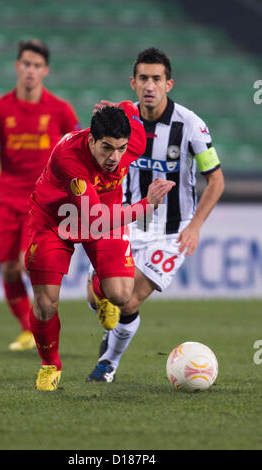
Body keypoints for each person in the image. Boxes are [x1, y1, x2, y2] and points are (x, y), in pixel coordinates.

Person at [86, 47, 225, 382]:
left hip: (173, 230)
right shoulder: (123, 118)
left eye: (157, 79)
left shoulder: (190, 126)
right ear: (133, 83)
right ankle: (106, 314)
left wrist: (195, 226)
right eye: (144, 78)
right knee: (97, 298)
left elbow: (216, 180)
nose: (150, 85)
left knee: (130, 301)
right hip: (131, 220)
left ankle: (108, 364)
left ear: (169, 84)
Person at [25, 101, 175, 390]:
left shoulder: (134, 139)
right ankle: (50, 364)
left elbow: (131, 107)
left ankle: (99, 284)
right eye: (107, 148)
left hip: (104, 211)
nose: (115, 157)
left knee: (121, 295)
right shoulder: (69, 158)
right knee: (46, 303)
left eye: (121, 148)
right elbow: (96, 219)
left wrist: (120, 106)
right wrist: (145, 206)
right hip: (54, 221)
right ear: (91, 140)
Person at [0, 39, 80, 351]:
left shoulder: (59, 110)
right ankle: (27, 329)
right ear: (17, 67)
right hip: (7, 197)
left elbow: (76, 147)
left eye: (37, 66)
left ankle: (42, 325)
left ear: (45, 70)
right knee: (7, 267)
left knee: (24, 263)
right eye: (26, 64)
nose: (30, 71)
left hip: (41, 201)